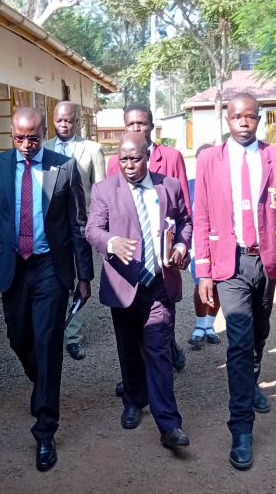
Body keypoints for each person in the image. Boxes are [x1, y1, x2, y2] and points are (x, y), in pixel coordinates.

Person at [0, 107, 93, 472]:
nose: (27, 144)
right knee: (19, 338)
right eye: (20, 137)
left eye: (34, 138)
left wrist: (83, 276)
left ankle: (44, 429)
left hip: (49, 268)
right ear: (12, 133)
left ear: (45, 132)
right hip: (13, 268)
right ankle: (44, 384)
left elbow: (77, 223)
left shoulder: (63, 167)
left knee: (46, 342)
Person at [193, 92, 276, 470]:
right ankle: (241, 428)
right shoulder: (209, 159)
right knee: (238, 339)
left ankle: (252, 381)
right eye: (237, 116)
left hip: (267, 261)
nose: (243, 122)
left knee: (259, 333)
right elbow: (202, 215)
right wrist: (203, 270)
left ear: (259, 120)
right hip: (230, 263)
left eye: (250, 117)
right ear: (227, 119)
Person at [86, 133, 192, 450]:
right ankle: (133, 399)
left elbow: (185, 222)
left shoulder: (168, 186)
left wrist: (182, 246)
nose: (129, 165)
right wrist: (111, 243)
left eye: (136, 158)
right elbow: (92, 229)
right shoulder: (104, 190)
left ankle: (169, 425)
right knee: (130, 350)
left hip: (160, 282)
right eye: (124, 158)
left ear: (147, 156)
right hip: (124, 284)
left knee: (159, 352)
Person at [107, 103, 190, 378]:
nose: (135, 129)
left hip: (161, 253)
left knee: (160, 320)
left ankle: (163, 358)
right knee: (131, 323)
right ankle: (136, 380)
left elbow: (182, 208)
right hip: (130, 257)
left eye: (141, 124)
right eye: (130, 125)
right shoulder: (115, 161)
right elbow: (112, 205)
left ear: (152, 126)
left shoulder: (171, 157)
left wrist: (182, 245)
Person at [44, 101, 107, 362]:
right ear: (53, 120)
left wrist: (98, 226)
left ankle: (73, 337)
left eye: (69, 120)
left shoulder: (92, 149)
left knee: (81, 277)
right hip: (52, 226)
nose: (64, 125)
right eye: (59, 120)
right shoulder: (44, 148)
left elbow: (101, 190)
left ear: (77, 121)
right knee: (55, 277)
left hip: (81, 224)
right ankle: (51, 329)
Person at [187, 144, 221, 349]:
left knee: (218, 285)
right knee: (201, 282)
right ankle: (199, 325)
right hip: (197, 245)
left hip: (221, 245)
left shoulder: (225, 184)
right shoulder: (190, 185)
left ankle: (210, 326)